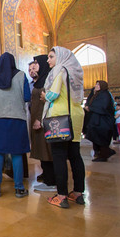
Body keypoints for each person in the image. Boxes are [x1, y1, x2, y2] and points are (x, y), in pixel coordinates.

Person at [41, 46, 85, 209]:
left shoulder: (60, 70)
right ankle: (78, 193)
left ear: (59, 57)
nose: (48, 60)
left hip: (60, 117)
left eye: (51, 56)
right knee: (75, 155)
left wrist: (45, 96)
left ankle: (61, 195)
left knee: (59, 155)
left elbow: (53, 94)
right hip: (76, 115)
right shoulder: (74, 70)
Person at [0, 52, 30, 198]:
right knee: (17, 153)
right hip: (17, 118)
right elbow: (27, 97)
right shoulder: (21, 75)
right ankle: (19, 188)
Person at [29, 55, 56, 191]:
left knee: (46, 150)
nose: (34, 66)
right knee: (41, 149)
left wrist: (39, 119)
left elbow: (45, 103)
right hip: (37, 120)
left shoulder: (47, 80)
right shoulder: (41, 80)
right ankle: (47, 177)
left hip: (42, 121)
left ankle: (51, 182)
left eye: (36, 63)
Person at [84, 80, 116, 162]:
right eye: (96, 84)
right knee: (97, 137)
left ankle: (104, 154)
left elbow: (103, 107)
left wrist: (90, 108)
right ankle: (103, 153)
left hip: (103, 122)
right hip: (97, 121)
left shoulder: (105, 95)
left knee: (101, 138)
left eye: (98, 84)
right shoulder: (98, 94)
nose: (96, 86)